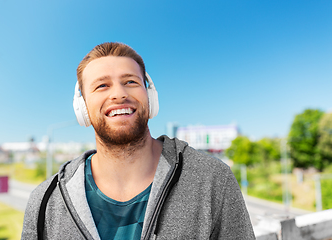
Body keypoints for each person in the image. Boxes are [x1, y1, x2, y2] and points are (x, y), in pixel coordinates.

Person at [21, 42, 255, 240]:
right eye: (102, 85)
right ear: (82, 108)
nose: (118, 94)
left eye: (131, 82)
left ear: (150, 96)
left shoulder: (212, 180)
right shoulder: (45, 202)